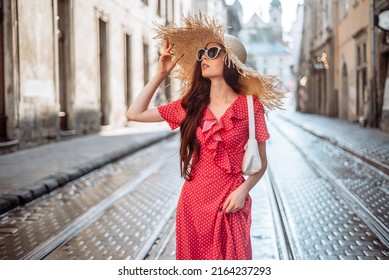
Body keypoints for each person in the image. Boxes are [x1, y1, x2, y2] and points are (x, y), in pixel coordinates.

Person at [126, 14, 284, 260]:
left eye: (212, 53)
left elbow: (261, 163)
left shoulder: (251, 107)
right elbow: (134, 113)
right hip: (193, 202)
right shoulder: (192, 105)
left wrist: (243, 191)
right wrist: (160, 73)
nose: (203, 59)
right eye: (202, 54)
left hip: (230, 201)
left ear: (230, 61)